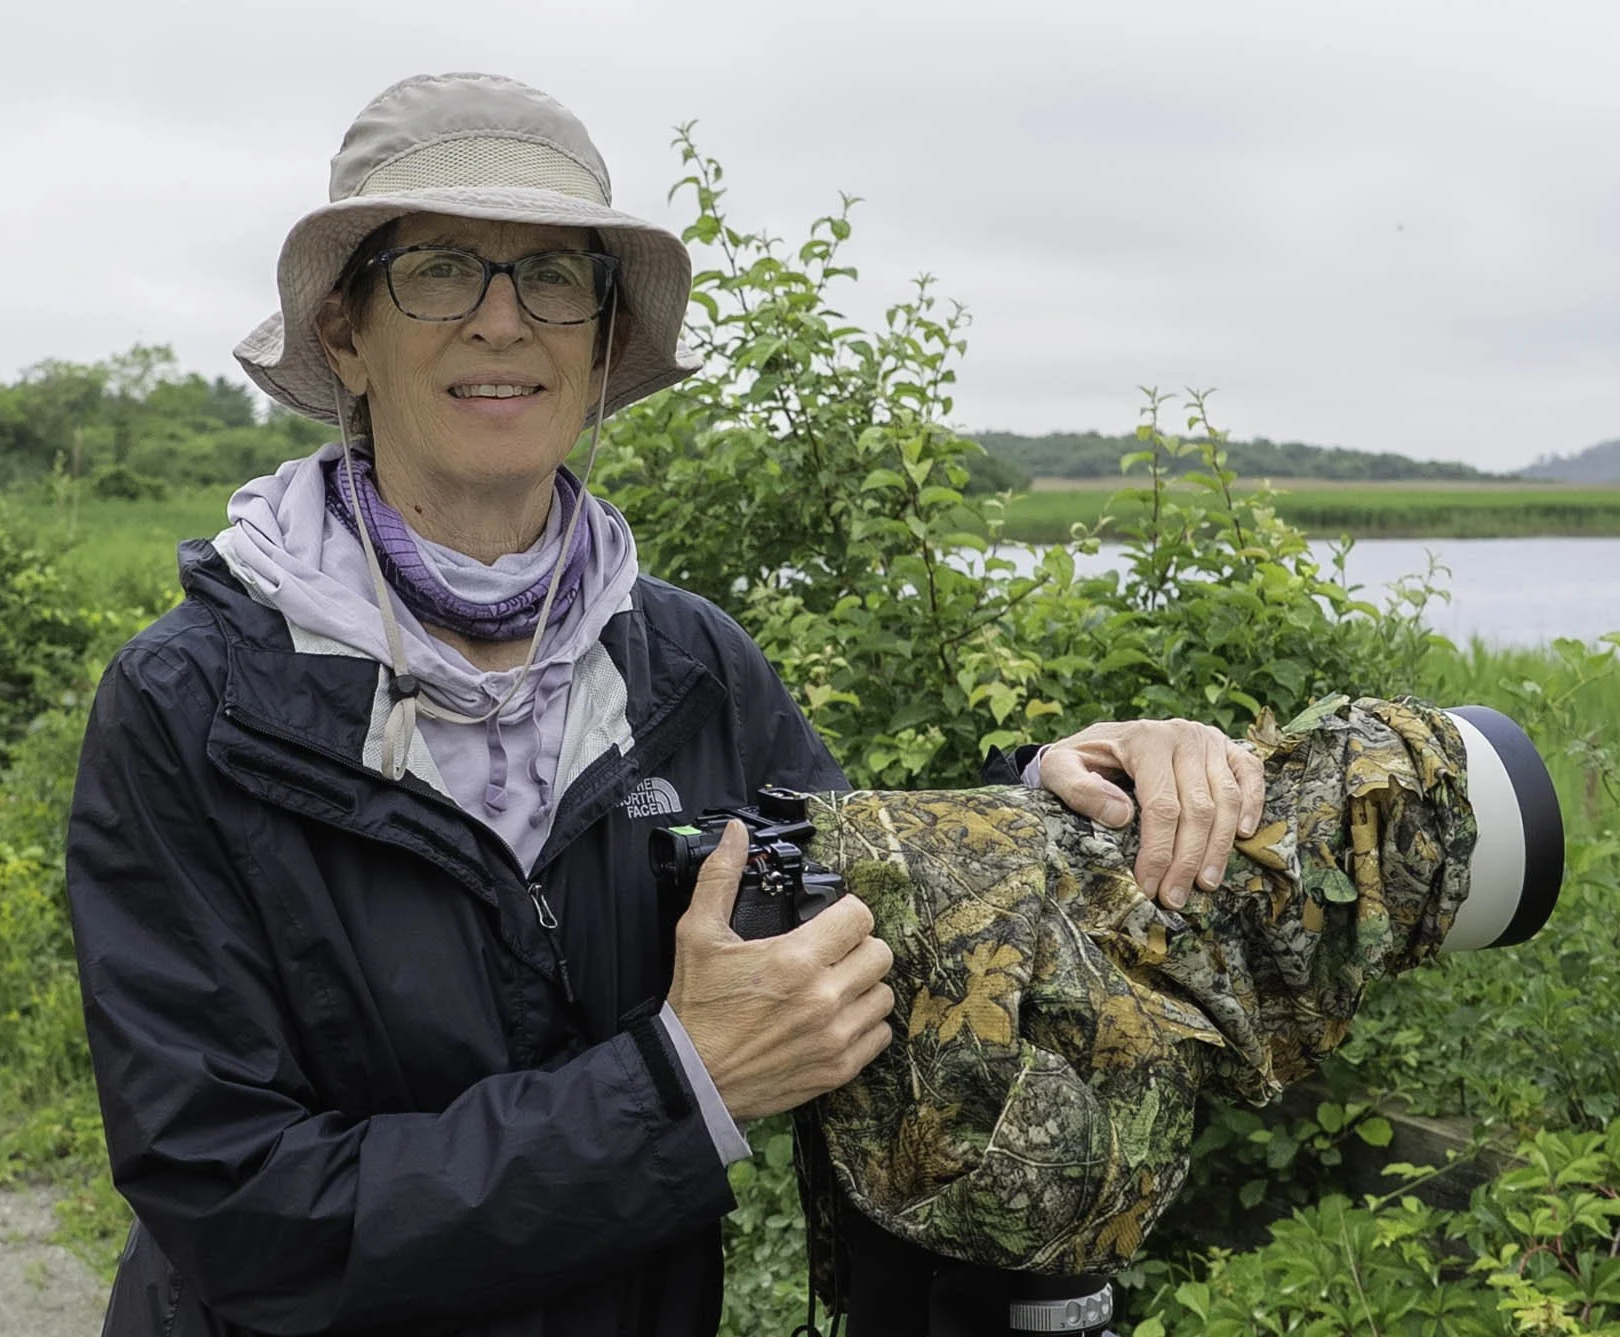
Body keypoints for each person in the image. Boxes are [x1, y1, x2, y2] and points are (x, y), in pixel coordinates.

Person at [64, 71, 1266, 1337]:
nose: (500, 320)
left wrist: (1064, 794)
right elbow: (238, 1202)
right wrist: (677, 1088)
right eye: (438, 269)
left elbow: (873, 900)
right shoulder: (194, 702)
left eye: (553, 277)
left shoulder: (687, 663)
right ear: (346, 334)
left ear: (598, 343)